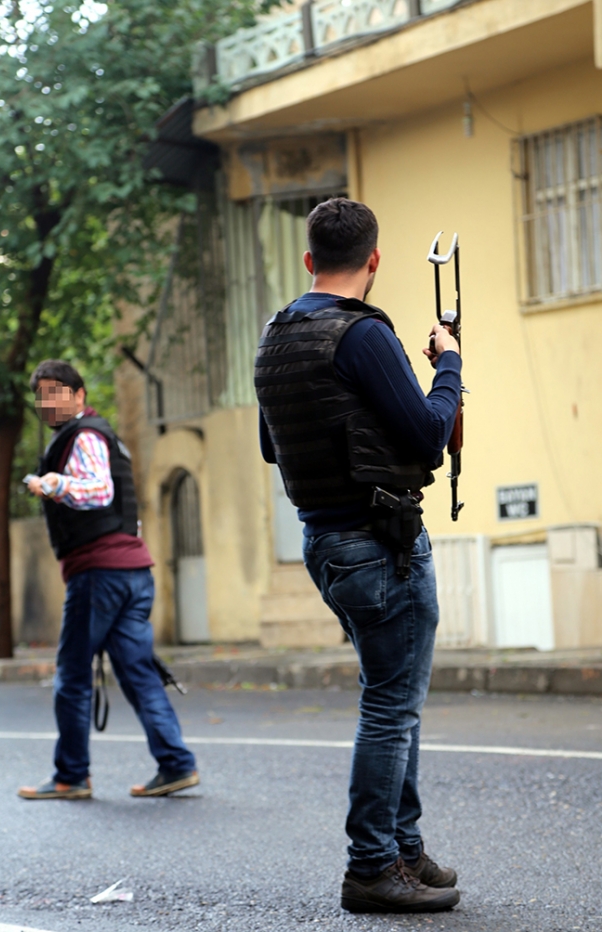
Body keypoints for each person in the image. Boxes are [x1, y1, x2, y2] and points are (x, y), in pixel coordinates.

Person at [254, 199, 462, 913]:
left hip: (325, 543)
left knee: (391, 702)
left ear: (310, 260)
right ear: (373, 261)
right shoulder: (363, 335)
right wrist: (450, 367)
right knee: (390, 709)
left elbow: (268, 445)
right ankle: (371, 867)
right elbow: (428, 436)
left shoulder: (277, 334)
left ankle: (403, 848)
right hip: (380, 545)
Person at [18, 360, 197, 801]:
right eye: (41, 393)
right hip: (133, 571)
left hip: (101, 575)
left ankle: (70, 776)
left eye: (56, 390)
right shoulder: (99, 436)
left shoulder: (86, 436)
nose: (48, 400)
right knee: (138, 673)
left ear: (79, 395)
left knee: (74, 675)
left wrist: (54, 483)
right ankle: (176, 764)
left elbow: (99, 491)